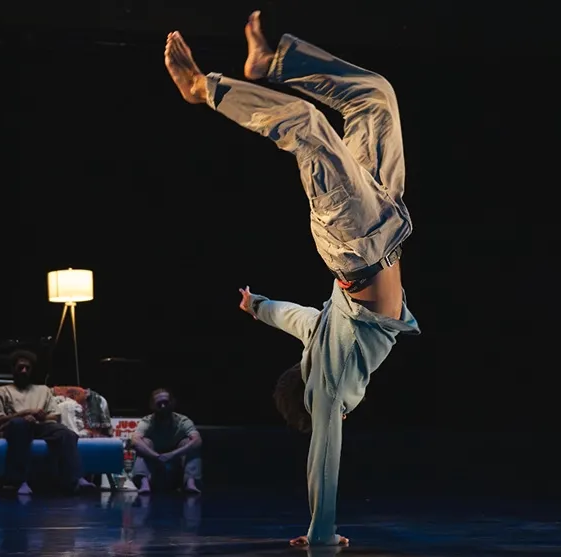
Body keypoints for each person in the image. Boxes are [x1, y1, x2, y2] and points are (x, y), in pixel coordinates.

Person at [164, 13, 420, 547]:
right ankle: (274, 62)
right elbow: (294, 317)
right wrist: (256, 306)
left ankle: (202, 90)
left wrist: (321, 535)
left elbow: (324, 459)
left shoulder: (326, 386)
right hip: (384, 216)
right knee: (375, 96)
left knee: (306, 126)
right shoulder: (325, 341)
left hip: (354, 240)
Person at [0, 350, 95, 495]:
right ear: (13, 369)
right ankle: (20, 481)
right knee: (20, 425)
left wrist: (39, 418)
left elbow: (54, 416)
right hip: (15, 427)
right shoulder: (0, 391)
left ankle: (76, 478)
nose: (24, 371)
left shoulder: (43, 390)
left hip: (40, 425)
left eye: (27, 368)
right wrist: (25, 414)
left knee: (66, 433)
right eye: (20, 367)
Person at [131, 388, 202, 494]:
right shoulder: (148, 421)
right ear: (153, 405)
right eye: (159, 404)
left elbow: (197, 440)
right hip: (154, 463)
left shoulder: (183, 421)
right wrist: (156, 456)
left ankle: (190, 483)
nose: (163, 406)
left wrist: (172, 454)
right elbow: (135, 440)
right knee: (144, 442)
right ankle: (144, 483)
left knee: (189, 443)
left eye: (166, 402)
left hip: (176, 463)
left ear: (172, 403)